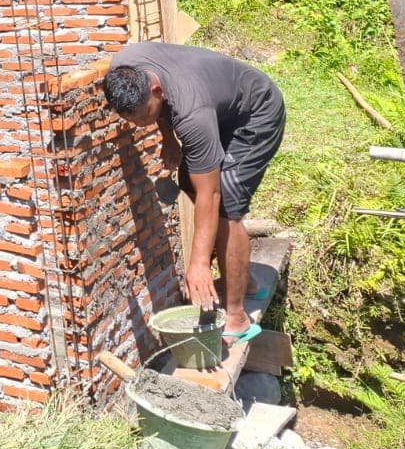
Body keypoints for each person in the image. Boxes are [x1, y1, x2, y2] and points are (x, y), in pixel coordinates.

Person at [103, 41, 286, 345]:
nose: (137, 124)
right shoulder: (123, 68)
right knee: (189, 180)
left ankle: (237, 316)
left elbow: (210, 195)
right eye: (130, 119)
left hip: (255, 115)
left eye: (141, 115)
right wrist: (168, 139)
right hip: (218, 107)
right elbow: (160, 108)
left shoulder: (192, 115)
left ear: (156, 91)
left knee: (227, 204)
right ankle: (244, 279)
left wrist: (199, 264)